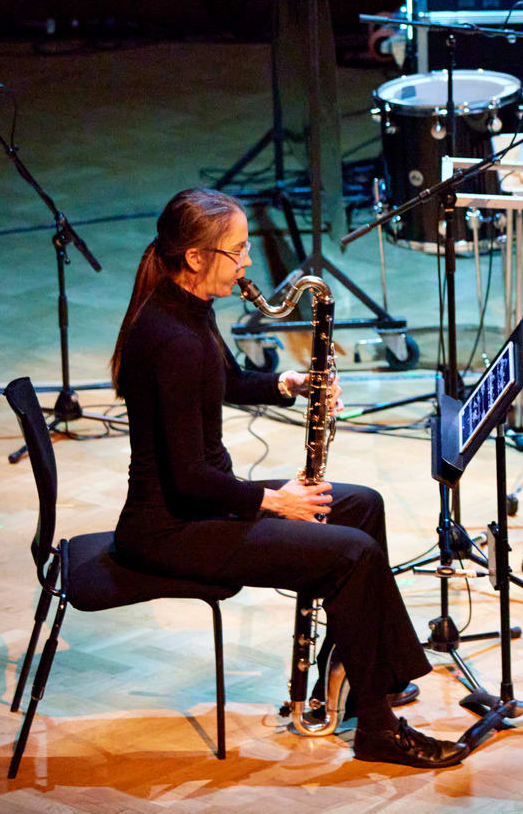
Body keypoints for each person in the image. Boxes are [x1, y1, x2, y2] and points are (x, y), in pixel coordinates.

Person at [110, 188, 464, 768]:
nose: (248, 262)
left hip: (200, 505)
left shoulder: (187, 308)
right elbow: (187, 478)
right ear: (196, 257)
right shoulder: (169, 338)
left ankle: (353, 676)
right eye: (237, 250)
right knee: (350, 553)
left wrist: (288, 385)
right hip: (170, 528)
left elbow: (222, 382)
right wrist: (273, 501)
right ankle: (377, 729)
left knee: (362, 505)